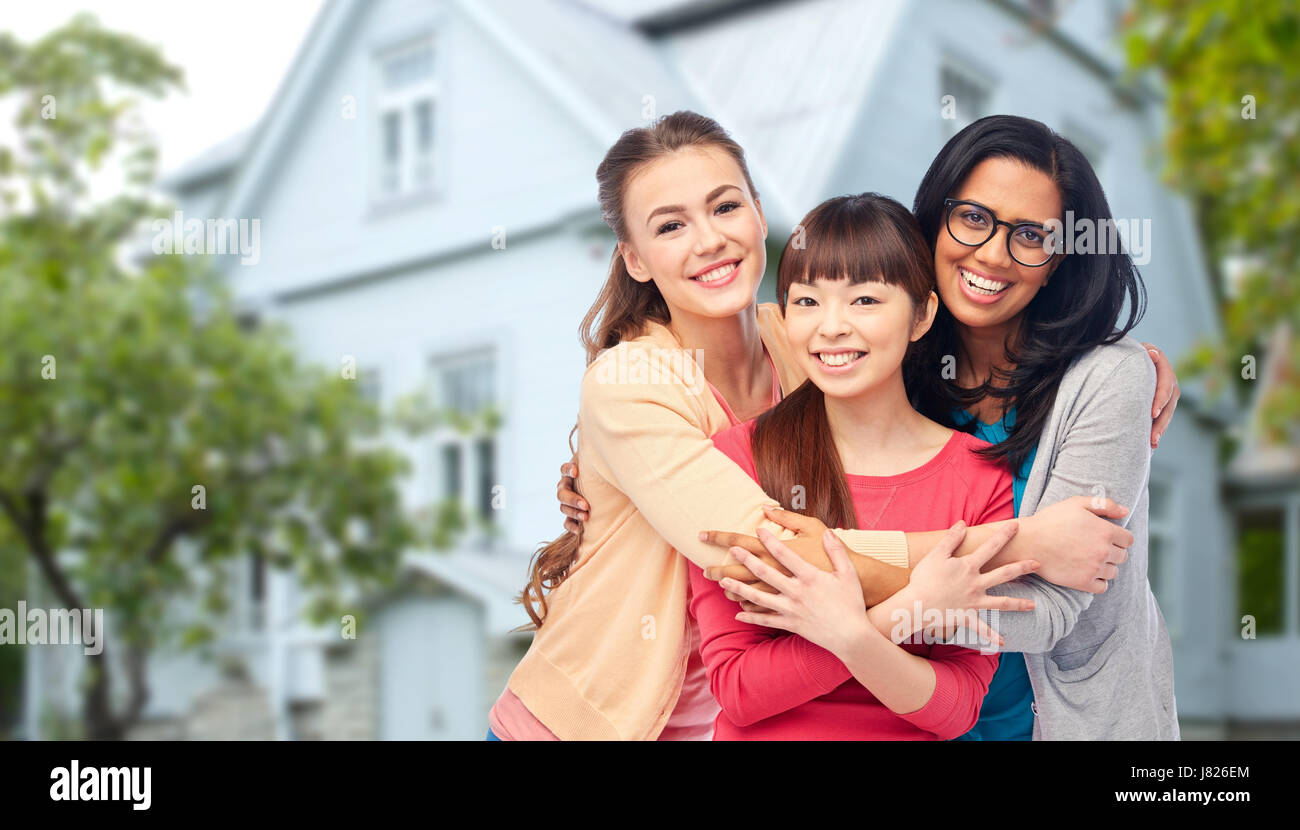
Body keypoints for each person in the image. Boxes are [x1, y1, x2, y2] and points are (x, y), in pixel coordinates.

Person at [512, 111, 1158, 741]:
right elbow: (759, 551)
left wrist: (1137, 373)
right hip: (592, 718)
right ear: (636, 258)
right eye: (671, 225)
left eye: (725, 207)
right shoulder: (641, 383)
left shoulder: (810, 350)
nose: (708, 239)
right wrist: (1021, 545)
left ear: (761, 215)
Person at [713, 115, 1179, 740]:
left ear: (1059, 258)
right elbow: (726, 369)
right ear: (935, 218)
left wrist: (834, 593)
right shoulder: (882, 363)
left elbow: (1050, 609)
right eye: (974, 218)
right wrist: (605, 478)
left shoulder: (1108, 381)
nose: (991, 254)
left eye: (1031, 235)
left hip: (1070, 723)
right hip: (911, 713)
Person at [690, 193, 1016, 739]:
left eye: (864, 300)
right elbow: (740, 689)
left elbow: (958, 709)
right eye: (807, 301)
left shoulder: (980, 477)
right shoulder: (736, 459)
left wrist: (848, 634)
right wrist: (908, 609)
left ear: (922, 315)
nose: (831, 327)